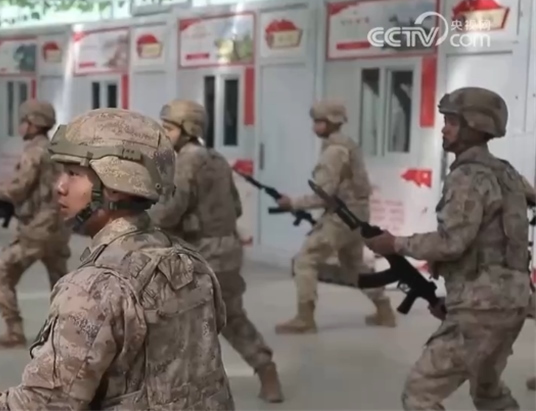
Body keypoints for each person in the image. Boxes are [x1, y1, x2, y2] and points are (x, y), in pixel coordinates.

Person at [0, 108, 234, 410]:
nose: (59, 186)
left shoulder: (94, 288)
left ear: (115, 184)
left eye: (73, 173)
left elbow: (43, 406)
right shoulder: (191, 263)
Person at [363, 87, 532, 410]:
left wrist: (394, 243)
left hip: (481, 310)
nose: (445, 129)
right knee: (488, 392)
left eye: (453, 122)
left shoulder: (467, 176)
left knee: (419, 394)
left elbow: (451, 243)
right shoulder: (508, 173)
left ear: (476, 126)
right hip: (512, 304)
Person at [148, 99, 283, 403]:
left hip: (199, 253)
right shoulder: (217, 159)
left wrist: (138, 219)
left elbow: (169, 212)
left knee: (176, 320)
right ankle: (266, 369)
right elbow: (235, 205)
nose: (163, 133)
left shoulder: (185, 162)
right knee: (231, 316)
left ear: (189, 130)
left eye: (169, 128)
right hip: (227, 249)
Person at [273, 100, 396, 334]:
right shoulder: (347, 145)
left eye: (319, 122)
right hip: (357, 215)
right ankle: (384, 309)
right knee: (353, 264)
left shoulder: (333, 152)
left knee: (306, 259)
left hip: (342, 217)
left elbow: (323, 194)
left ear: (332, 122)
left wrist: (292, 203)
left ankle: (305, 318)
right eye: (315, 121)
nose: (315, 126)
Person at [0, 99, 71, 349]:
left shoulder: (34, 152)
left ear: (33, 123)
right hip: (59, 227)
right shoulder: (56, 149)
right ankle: (71, 332)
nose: (20, 126)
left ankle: (14, 330)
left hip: (37, 229)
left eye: (23, 121)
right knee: (62, 282)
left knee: (0, 273)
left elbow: (18, 188)